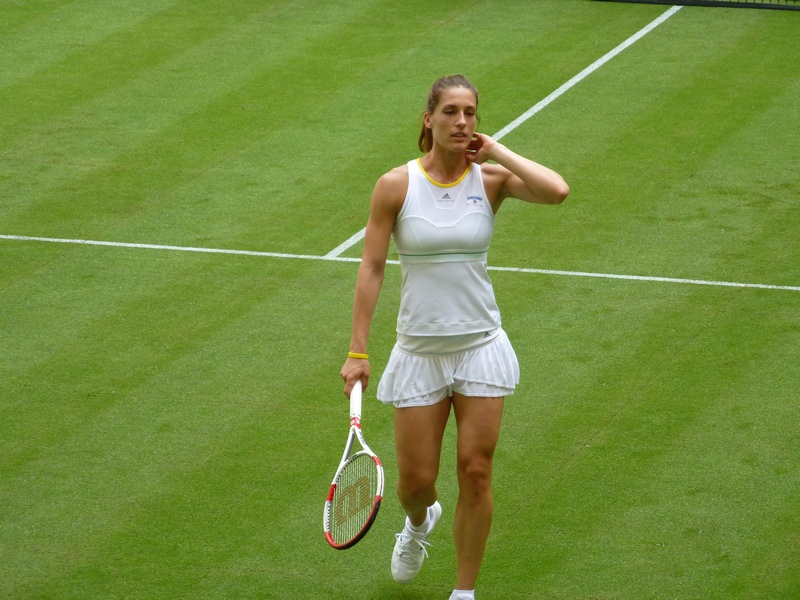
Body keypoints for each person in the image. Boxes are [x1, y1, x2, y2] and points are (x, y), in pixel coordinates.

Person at [340, 74, 569, 600]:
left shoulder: (490, 180)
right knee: (415, 484)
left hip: (480, 348)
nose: (461, 122)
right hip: (419, 352)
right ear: (429, 119)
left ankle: (464, 593)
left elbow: (556, 191)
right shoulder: (396, 185)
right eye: (450, 112)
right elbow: (372, 268)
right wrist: (357, 349)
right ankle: (419, 524)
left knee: (476, 470)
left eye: (470, 113)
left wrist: (498, 152)